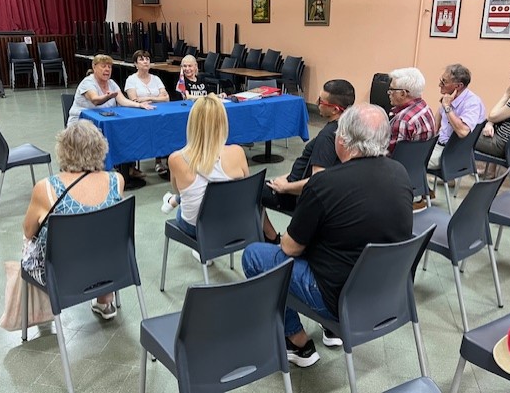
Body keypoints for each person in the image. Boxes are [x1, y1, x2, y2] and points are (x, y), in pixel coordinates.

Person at [242, 103, 413, 368]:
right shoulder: (400, 173)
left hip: (339, 299)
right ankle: (327, 331)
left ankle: (296, 341)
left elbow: (289, 248)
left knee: (255, 255)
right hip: (387, 293)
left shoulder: (325, 184)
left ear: (342, 140)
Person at [21, 120, 124, 320]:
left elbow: (28, 231)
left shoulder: (46, 188)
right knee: (99, 231)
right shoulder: (116, 180)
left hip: (63, 274)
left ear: (64, 151)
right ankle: (105, 299)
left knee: (28, 241)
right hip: (111, 265)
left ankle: (42, 309)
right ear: (101, 148)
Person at [262, 79, 355, 243]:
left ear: (335, 109)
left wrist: (285, 187)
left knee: (251, 191)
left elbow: (318, 181)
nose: (317, 104)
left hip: (297, 195)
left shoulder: (327, 137)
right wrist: (287, 175)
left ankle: (271, 238)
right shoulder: (351, 129)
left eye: (321, 101)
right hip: (312, 188)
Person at [161, 94, 249, 246]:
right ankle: (173, 201)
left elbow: (178, 189)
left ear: (192, 123)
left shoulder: (176, 159)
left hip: (197, 228)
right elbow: (245, 188)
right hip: (233, 224)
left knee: (186, 198)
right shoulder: (238, 152)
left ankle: (172, 201)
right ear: (223, 122)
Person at [67, 54, 153, 126]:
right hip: (81, 123)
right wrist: (107, 97)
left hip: (105, 121)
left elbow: (123, 100)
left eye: (109, 67)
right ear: (94, 67)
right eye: (103, 66)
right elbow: (95, 100)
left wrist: (139, 105)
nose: (107, 69)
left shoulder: (111, 83)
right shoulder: (87, 82)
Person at [428, 63, 486, 169]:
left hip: (450, 153)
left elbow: (463, 132)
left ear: (458, 86)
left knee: (409, 162)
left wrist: (447, 107)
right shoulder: (449, 98)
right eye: (441, 80)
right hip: (438, 145)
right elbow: (434, 128)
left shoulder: (472, 103)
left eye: (444, 82)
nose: (440, 84)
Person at [125, 50, 171, 177]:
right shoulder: (131, 80)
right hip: (140, 114)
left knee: (166, 128)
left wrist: (148, 98)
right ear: (135, 64)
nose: (145, 62)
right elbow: (134, 99)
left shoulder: (156, 79)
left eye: (147, 59)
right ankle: (133, 166)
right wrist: (156, 97)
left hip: (159, 113)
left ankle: (161, 161)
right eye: (141, 59)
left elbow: (166, 98)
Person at [386, 67, 436, 155]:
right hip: (417, 160)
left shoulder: (403, 120)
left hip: (401, 162)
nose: (389, 93)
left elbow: (391, 155)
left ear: (403, 93)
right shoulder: (425, 107)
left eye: (391, 89)